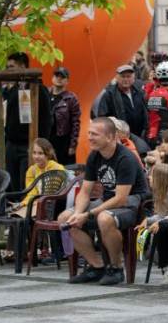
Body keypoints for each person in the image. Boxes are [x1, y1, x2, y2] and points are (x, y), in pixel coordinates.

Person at [62, 118, 151, 285]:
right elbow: (85, 192)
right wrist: (78, 213)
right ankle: (97, 267)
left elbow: (121, 199)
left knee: (105, 218)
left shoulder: (126, 158)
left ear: (109, 137)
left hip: (135, 204)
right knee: (66, 218)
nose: (89, 137)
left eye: (94, 134)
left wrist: (88, 214)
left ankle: (116, 268)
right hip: (109, 200)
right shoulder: (94, 156)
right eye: (89, 133)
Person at [4, 138, 66, 262]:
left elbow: (54, 192)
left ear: (48, 153)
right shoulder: (32, 170)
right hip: (35, 201)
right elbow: (30, 192)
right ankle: (20, 252)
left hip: (50, 204)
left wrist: (33, 202)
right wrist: (22, 204)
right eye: (34, 153)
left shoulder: (57, 168)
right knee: (16, 215)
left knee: (32, 216)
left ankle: (42, 249)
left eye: (40, 153)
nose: (36, 156)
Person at [3, 52, 53, 192]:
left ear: (23, 67)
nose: (8, 70)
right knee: (12, 184)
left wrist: (39, 145)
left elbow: (46, 120)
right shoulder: (13, 90)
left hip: (29, 145)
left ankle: (26, 213)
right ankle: (14, 211)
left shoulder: (39, 90)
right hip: (12, 145)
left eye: (11, 67)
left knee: (26, 185)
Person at [96, 65, 148, 140]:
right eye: (123, 76)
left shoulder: (140, 92)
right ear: (116, 78)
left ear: (133, 78)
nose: (126, 79)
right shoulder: (109, 94)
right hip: (120, 138)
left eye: (128, 76)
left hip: (140, 137)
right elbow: (102, 118)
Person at [48, 67, 81, 165]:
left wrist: (72, 145)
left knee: (64, 171)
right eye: (57, 76)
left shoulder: (71, 98)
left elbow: (76, 123)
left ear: (67, 81)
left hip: (62, 142)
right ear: (52, 78)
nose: (59, 79)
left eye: (62, 77)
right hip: (46, 139)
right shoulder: (45, 93)